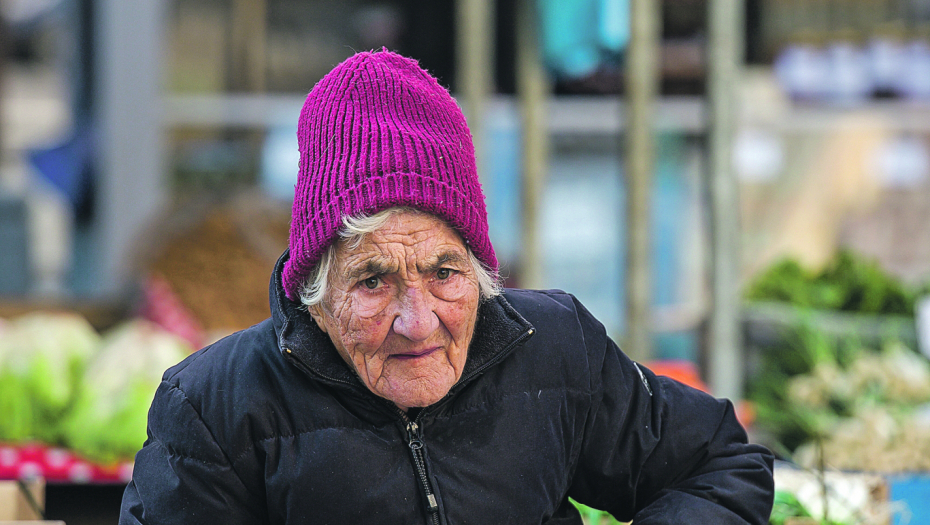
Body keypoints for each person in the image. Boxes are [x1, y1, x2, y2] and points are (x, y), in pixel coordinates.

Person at [120, 50, 774, 524]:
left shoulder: (555, 346)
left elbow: (720, 463)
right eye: (372, 279)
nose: (419, 319)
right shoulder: (213, 405)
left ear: (482, 269)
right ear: (314, 287)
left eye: (444, 272)